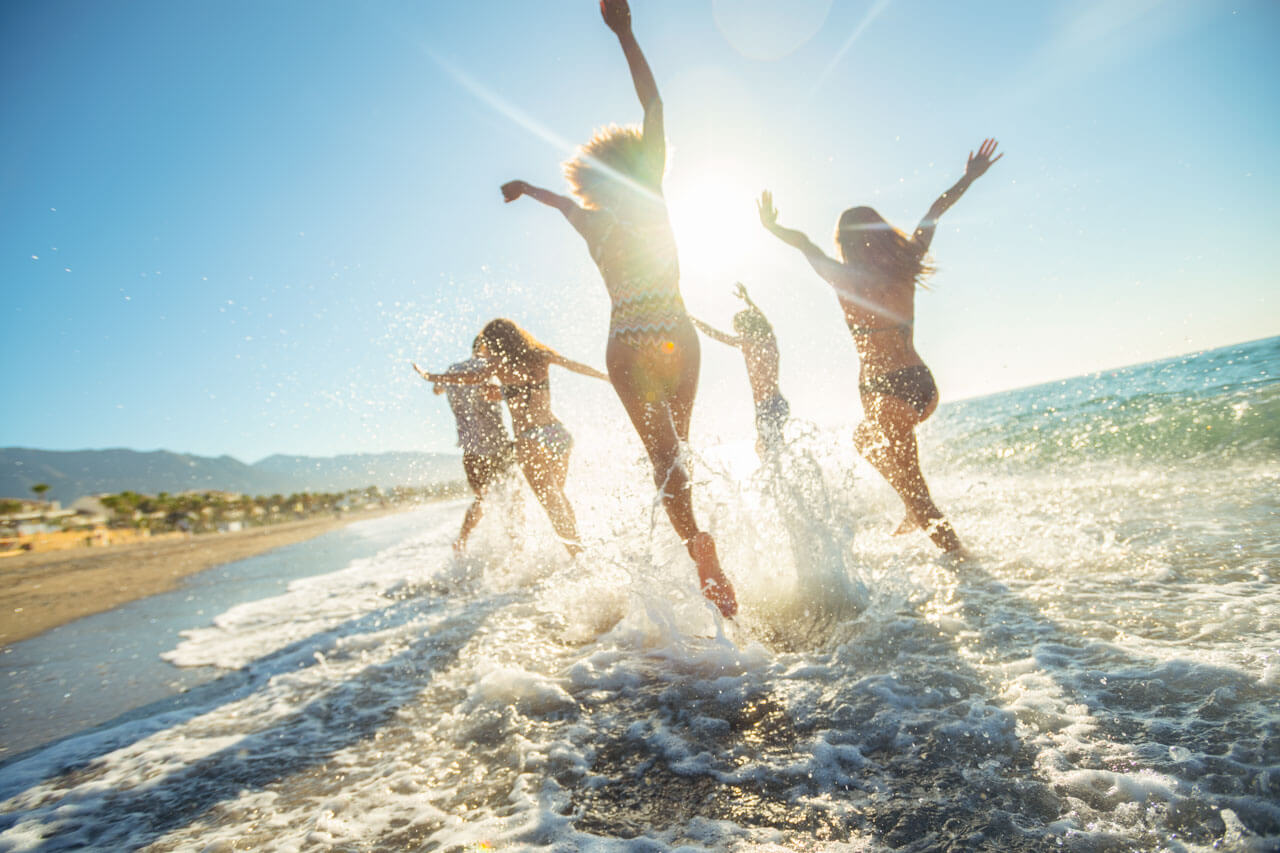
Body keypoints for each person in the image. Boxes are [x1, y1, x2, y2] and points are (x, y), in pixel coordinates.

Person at [498, 0, 737, 616]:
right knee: (678, 454)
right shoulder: (651, 189)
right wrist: (626, 34)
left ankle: (696, 544)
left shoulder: (590, 219)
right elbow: (655, 106)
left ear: (592, 178)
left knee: (664, 460)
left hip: (627, 342)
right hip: (676, 334)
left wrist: (526, 188)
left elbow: (556, 201)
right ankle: (696, 542)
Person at [757, 139, 1003, 554]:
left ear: (845, 242)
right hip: (921, 384)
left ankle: (966, 566)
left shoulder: (843, 278)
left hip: (886, 391)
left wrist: (772, 228)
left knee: (921, 496)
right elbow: (934, 211)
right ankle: (914, 508)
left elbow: (804, 244)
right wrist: (969, 178)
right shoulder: (905, 264)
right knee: (863, 441)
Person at [414, 319, 608, 558]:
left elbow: (471, 378)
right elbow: (573, 365)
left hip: (530, 439)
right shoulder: (540, 355)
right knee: (559, 496)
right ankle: (581, 549)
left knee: (551, 504)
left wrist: (432, 376)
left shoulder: (499, 364)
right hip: (557, 434)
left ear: (493, 343)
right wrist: (606, 376)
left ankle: (579, 557)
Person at [414, 334, 517, 553]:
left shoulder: (453, 370)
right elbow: (503, 393)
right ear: (486, 348)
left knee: (482, 498)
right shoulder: (490, 368)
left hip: (471, 450)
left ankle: (461, 540)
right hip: (498, 445)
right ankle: (515, 544)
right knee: (512, 496)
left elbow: (436, 390)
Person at [690, 283, 789, 457]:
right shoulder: (770, 340)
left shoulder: (747, 343)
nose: (738, 333)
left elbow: (716, 335)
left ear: (745, 327)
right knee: (771, 448)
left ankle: (785, 472)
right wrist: (747, 300)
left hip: (766, 407)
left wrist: (692, 320)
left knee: (768, 451)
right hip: (779, 403)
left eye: (739, 329)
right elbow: (764, 321)